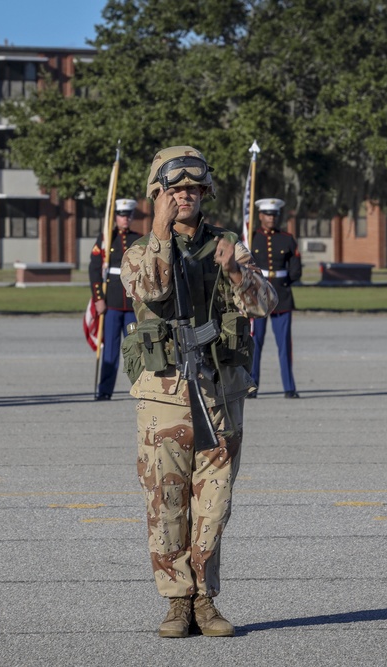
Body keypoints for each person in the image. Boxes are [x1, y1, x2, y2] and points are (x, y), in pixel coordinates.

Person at [121, 145, 277, 638]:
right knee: (166, 504)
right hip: (164, 399)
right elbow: (151, 292)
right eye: (175, 189)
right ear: (158, 194)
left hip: (220, 394)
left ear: (206, 191)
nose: (185, 196)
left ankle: (205, 600)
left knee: (214, 503)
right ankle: (176, 603)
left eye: (193, 188)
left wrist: (236, 271)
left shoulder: (229, 244)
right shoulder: (138, 249)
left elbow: (266, 304)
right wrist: (162, 233)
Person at [88, 197, 143, 400]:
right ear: (115, 217)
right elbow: (94, 270)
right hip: (111, 304)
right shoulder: (105, 240)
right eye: (121, 215)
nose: (125, 219)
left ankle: (140, 390)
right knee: (110, 350)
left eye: (128, 215)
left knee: (135, 349)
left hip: (131, 305)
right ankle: (105, 391)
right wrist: (98, 298)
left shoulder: (138, 240)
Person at [248, 197, 302, 398]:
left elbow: (295, 267)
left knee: (284, 344)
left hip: (281, 294)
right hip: (257, 295)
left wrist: (289, 280)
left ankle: (289, 387)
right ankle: (252, 385)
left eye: (274, 214)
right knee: (255, 342)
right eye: (267, 214)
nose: (271, 218)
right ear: (260, 216)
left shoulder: (287, 239)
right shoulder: (251, 238)